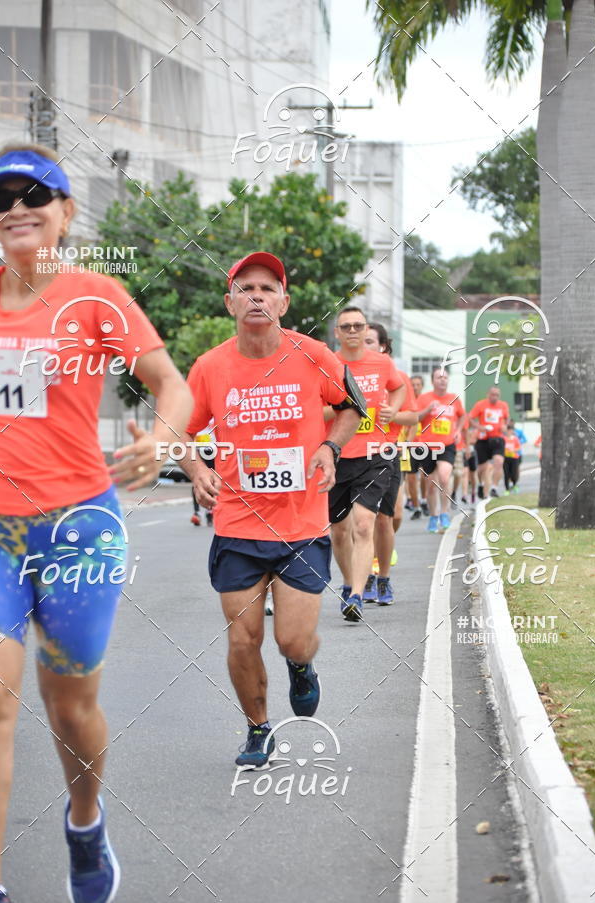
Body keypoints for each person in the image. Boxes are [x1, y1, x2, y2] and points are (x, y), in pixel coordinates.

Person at [0, 144, 193, 903]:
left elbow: (171, 384)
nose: (16, 208)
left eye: (33, 194)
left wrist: (162, 439)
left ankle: (85, 821)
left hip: (78, 529)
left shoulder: (95, 295)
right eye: (2, 197)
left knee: (69, 707)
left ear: (67, 212)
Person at [183, 252, 361, 770]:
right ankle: (258, 728)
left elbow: (353, 405)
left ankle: (301, 666)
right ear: (230, 303)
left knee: (292, 640)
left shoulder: (313, 355)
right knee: (244, 638)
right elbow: (180, 430)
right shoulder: (209, 367)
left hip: (302, 525)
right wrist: (196, 470)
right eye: (245, 288)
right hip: (238, 524)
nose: (256, 296)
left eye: (267, 288)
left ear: (284, 301)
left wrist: (329, 447)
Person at [326, 307, 405, 622]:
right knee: (339, 531)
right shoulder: (328, 364)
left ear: (365, 329)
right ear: (337, 332)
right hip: (337, 455)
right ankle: (348, 583)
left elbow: (398, 387)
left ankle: (357, 595)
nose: (352, 331)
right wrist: (348, 411)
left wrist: (392, 410)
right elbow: (315, 409)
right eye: (346, 326)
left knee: (363, 524)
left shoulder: (382, 363)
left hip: (375, 454)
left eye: (358, 326)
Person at [362, 323, 418, 605]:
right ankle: (367, 577)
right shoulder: (351, 375)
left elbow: (413, 418)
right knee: (363, 520)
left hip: (387, 452)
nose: (364, 345)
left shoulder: (398, 379)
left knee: (388, 517)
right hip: (357, 455)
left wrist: (392, 414)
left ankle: (383, 578)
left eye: (369, 341)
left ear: (383, 346)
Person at [416, 367, 466, 534]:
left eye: (445, 377)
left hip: (447, 444)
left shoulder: (454, 398)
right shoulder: (424, 398)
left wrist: (458, 430)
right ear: (432, 381)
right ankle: (433, 516)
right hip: (428, 446)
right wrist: (428, 409)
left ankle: (444, 513)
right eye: (439, 377)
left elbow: (462, 416)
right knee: (431, 485)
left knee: (444, 477)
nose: (442, 380)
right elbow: (415, 418)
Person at [469, 386, 510, 498]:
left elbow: (507, 418)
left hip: (498, 438)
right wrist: (479, 427)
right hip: (483, 439)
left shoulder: (503, 405)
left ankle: (494, 488)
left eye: (497, 395)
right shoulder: (480, 404)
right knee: (482, 468)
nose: (495, 397)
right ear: (488, 394)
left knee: (499, 462)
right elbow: (470, 418)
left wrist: (505, 426)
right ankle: (481, 484)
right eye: (493, 394)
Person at [406, 374, 429, 518]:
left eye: (417, 385)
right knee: (411, 478)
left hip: (425, 443)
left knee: (425, 475)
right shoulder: (405, 401)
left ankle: (424, 500)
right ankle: (416, 507)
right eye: (412, 384)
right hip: (409, 444)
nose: (415, 387)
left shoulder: (427, 401)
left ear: (422, 386)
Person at [503, 422, 522, 494]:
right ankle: (507, 489)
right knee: (506, 473)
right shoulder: (503, 438)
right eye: (508, 430)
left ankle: (514, 485)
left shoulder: (515, 439)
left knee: (514, 473)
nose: (510, 432)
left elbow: (519, 447)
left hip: (514, 458)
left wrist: (513, 450)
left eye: (511, 430)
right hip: (506, 458)